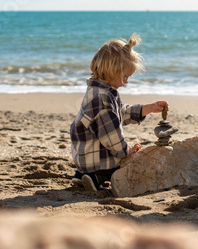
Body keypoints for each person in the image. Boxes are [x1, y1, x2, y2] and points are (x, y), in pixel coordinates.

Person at [70, 33, 168, 191]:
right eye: (125, 76)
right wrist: (126, 151)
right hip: (95, 160)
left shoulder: (97, 91)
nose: (127, 82)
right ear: (113, 70)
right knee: (124, 165)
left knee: (105, 153)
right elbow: (111, 134)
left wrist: (147, 108)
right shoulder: (103, 99)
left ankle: (81, 175)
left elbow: (120, 113)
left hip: (83, 156)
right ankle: (96, 177)